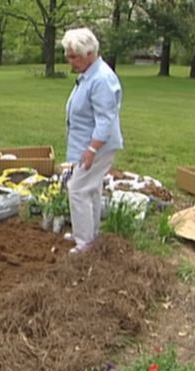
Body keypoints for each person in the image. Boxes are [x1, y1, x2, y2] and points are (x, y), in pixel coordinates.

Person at [61, 27, 124, 254]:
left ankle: (85, 243)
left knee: (77, 189)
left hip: (97, 146)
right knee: (91, 189)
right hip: (88, 144)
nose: (70, 61)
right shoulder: (89, 75)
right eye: (68, 55)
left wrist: (91, 149)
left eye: (74, 56)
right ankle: (89, 233)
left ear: (89, 53)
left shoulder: (102, 79)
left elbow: (105, 120)